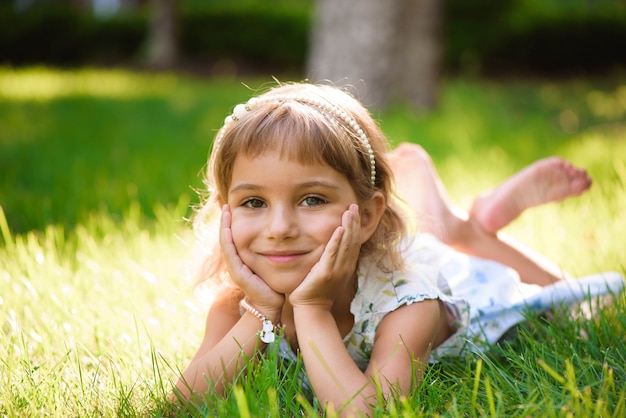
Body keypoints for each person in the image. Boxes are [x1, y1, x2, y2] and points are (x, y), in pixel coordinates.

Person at [173, 82, 624, 416]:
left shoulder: (410, 306)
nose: (280, 228)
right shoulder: (239, 306)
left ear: (367, 215)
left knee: (563, 298)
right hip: (399, 255)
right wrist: (261, 311)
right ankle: (453, 224)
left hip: (472, 295)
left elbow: (368, 412)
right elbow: (181, 405)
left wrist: (309, 309)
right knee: (427, 243)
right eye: (254, 202)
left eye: (312, 199)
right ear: (224, 212)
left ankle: (472, 232)